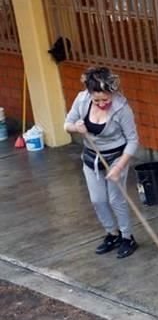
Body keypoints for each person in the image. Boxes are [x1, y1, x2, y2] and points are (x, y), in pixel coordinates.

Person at [64, 67, 141, 259]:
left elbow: (133, 141)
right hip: (91, 157)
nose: (101, 103)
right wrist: (76, 127)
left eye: (105, 99)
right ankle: (112, 234)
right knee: (98, 200)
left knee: (116, 200)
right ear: (89, 94)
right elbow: (67, 124)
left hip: (116, 157)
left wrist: (119, 166)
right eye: (96, 100)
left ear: (112, 93)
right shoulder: (82, 99)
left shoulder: (122, 109)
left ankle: (127, 237)